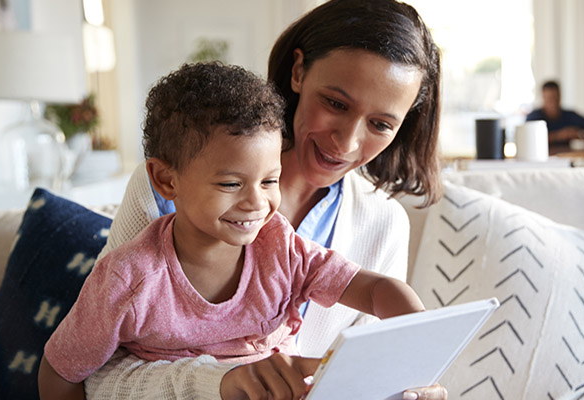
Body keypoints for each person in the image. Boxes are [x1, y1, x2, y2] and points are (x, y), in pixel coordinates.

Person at [79, 0, 448, 399]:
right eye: (336, 104)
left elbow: (364, 376)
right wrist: (218, 383)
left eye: (380, 124)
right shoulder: (174, 183)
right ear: (298, 71)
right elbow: (95, 376)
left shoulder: (384, 225)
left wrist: (412, 379)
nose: (347, 142)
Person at [525, 80, 584, 149]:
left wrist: (581, 134)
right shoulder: (534, 118)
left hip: (568, 157)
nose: (553, 102)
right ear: (543, 97)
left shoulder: (571, 116)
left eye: (555, 97)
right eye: (549, 98)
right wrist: (559, 135)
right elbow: (528, 140)